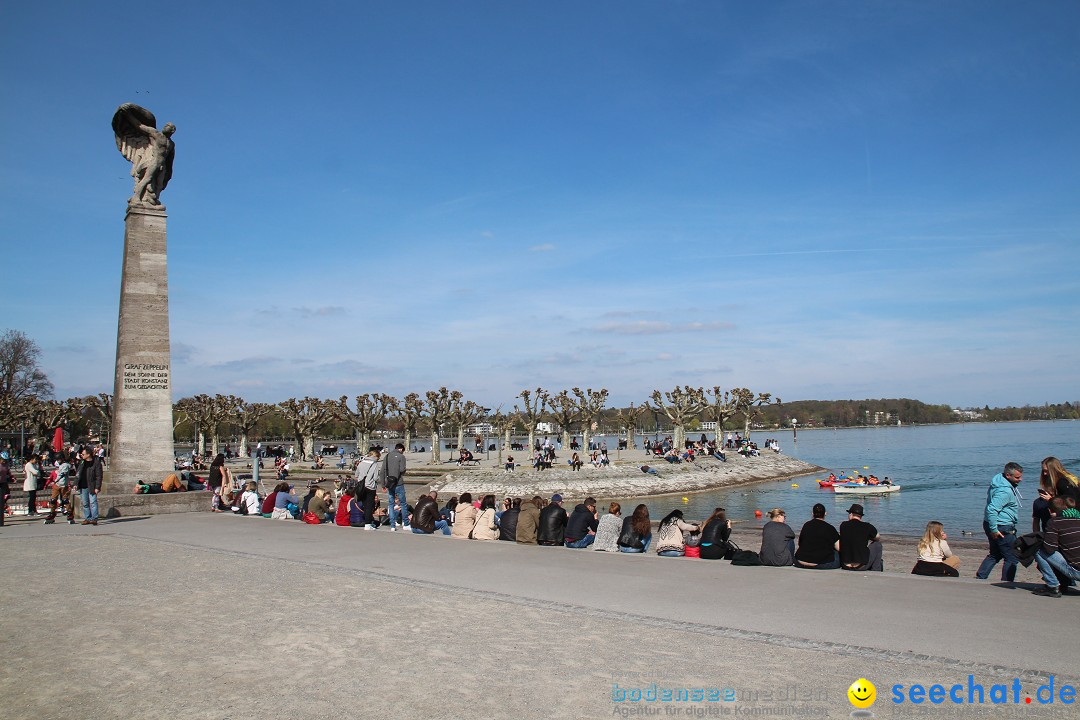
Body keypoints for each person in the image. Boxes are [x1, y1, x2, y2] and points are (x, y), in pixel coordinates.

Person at [976, 461, 1023, 583]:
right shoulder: (1005, 491)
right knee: (1011, 557)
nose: (1020, 480)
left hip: (993, 524)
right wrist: (994, 529)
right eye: (1017, 477)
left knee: (995, 554)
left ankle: (981, 577)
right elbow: (992, 509)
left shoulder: (998, 481)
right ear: (1008, 475)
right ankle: (1006, 582)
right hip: (1002, 527)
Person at [1031, 497, 1080, 597]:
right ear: (1066, 507)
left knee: (1038, 550)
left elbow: (1049, 548)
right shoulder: (1077, 519)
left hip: (1076, 571)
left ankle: (1052, 586)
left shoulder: (1054, 522)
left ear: (1050, 510)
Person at [1032, 457, 1080, 532]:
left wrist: (1050, 500)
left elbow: (1071, 501)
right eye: (1043, 471)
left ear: (1053, 470)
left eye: (1046, 471)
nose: (1044, 474)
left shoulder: (1062, 482)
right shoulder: (1068, 478)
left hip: (1071, 520)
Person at [794, 504, 841, 569]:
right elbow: (839, 548)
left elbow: (800, 543)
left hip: (800, 561)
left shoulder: (806, 525)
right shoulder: (830, 528)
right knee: (836, 553)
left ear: (812, 513)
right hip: (821, 563)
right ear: (825, 513)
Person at [838, 504, 882, 571]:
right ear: (861, 516)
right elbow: (878, 537)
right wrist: (869, 537)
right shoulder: (867, 526)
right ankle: (876, 570)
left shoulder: (843, 525)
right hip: (860, 565)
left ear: (851, 514)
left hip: (845, 565)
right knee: (877, 545)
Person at [382, 443, 409, 531]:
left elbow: (382, 471)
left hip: (389, 483)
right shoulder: (401, 457)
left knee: (391, 503)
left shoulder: (387, 456)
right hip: (398, 482)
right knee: (403, 503)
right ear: (401, 449)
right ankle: (405, 523)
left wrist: (383, 484)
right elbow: (402, 469)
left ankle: (392, 525)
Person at [45, 451, 75, 524]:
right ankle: (52, 513)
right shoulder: (60, 465)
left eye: (59, 459)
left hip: (63, 485)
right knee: (53, 499)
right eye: (57, 459)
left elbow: (62, 474)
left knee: (65, 500)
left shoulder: (66, 465)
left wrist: (55, 480)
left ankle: (69, 513)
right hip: (57, 485)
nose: (58, 461)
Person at [75, 447, 103, 525]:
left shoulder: (96, 463)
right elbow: (78, 474)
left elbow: (99, 476)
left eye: (83, 454)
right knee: (85, 503)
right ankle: (88, 518)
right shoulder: (82, 462)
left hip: (92, 486)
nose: (82, 455)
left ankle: (94, 518)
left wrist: (97, 487)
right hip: (83, 485)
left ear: (88, 454)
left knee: (93, 502)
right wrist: (75, 483)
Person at [354, 448, 381, 530]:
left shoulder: (361, 462)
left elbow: (356, 475)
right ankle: (368, 524)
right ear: (375, 456)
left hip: (361, 487)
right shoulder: (375, 464)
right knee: (369, 505)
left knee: (365, 505)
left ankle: (366, 522)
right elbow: (376, 477)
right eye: (378, 458)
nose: (378, 459)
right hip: (370, 487)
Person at [0, 457, 11, 526]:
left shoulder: (6, 465)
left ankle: (3, 505)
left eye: (5, 460)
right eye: (3, 460)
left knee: (7, 495)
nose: (4, 461)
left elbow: (8, 473)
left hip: (3, 482)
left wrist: (11, 477)